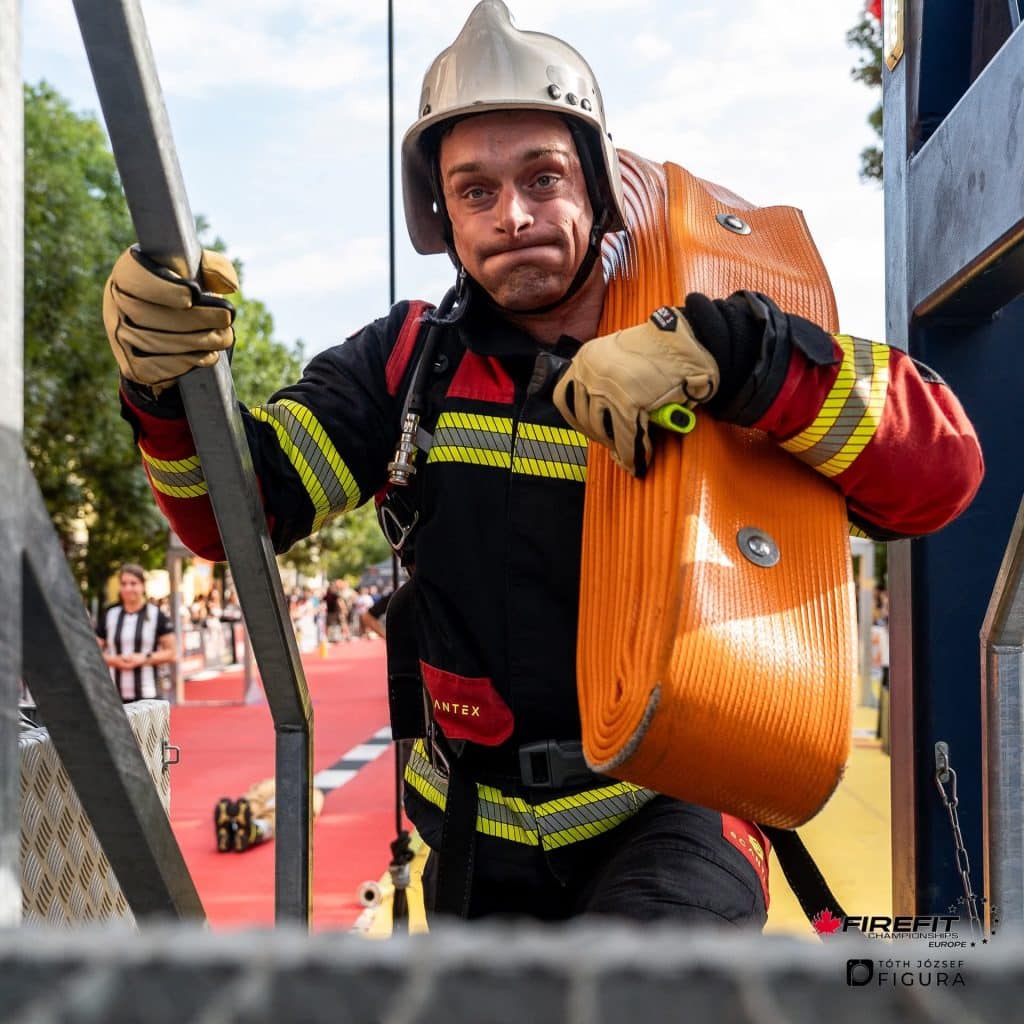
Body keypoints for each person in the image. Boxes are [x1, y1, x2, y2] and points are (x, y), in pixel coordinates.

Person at [100, 1, 982, 925]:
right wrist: (165, 390)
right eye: (475, 190)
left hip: (670, 813)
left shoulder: (718, 333)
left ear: (598, 185)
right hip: (474, 844)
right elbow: (233, 515)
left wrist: (739, 361)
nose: (512, 215)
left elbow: (945, 471)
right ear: (441, 213)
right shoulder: (405, 365)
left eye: (542, 176)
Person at [95, 563, 176, 703]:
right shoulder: (110, 615)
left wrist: (144, 658)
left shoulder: (157, 615)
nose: (128, 588)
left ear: (143, 586)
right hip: (115, 695)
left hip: (149, 694)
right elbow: (93, 651)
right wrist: (114, 661)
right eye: (124, 584)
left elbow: (172, 652)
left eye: (133, 583)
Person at [214, 780, 326, 853]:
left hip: (276, 785)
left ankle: (233, 824)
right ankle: (255, 830)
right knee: (290, 815)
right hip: (303, 795)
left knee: (255, 798)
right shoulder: (314, 792)